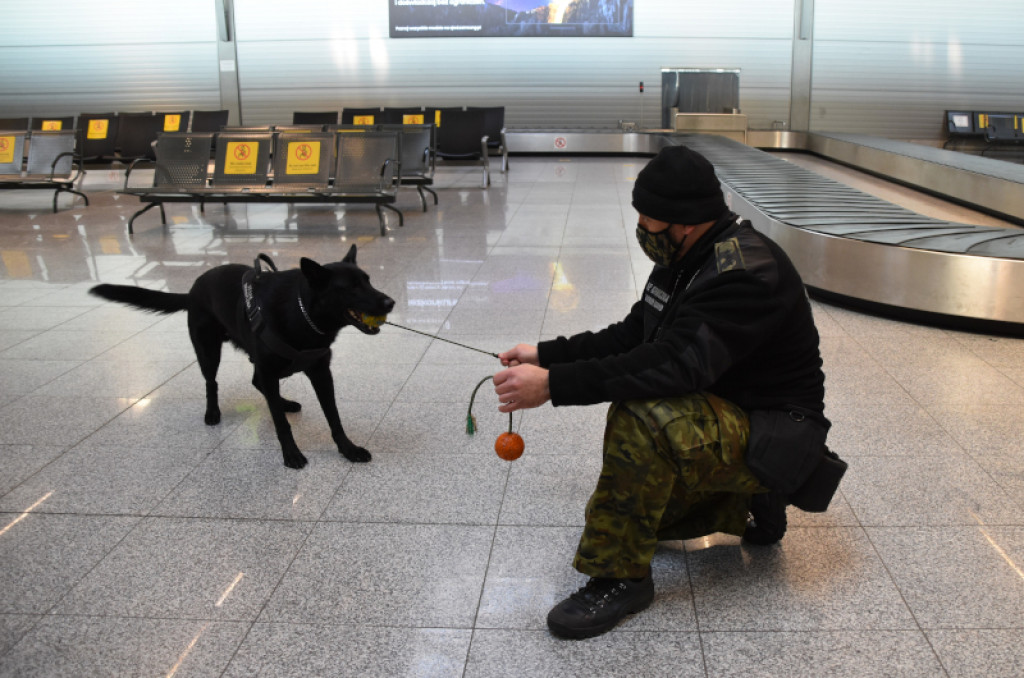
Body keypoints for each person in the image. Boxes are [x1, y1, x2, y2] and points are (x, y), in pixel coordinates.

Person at [493, 144, 830, 640]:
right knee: (652, 500)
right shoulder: (687, 254)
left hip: (775, 431)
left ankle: (620, 577)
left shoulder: (743, 272)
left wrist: (554, 387)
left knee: (644, 415)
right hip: (731, 407)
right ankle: (751, 498)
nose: (641, 229)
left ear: (685, 221)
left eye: (649, 219)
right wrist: (547, 355)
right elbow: (636, 333)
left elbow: (674, 365)